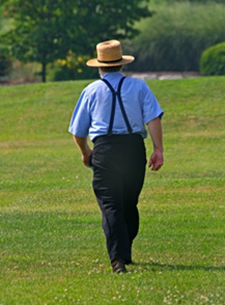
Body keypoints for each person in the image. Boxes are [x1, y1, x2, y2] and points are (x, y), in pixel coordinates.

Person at [68, 40, 164, 273]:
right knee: (129, 203)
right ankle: (124, 250)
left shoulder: (91, 91)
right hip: (133, 150)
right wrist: (158, 149)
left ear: (100, 67)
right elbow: (153, 119)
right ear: (121, 64)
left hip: (105, 150)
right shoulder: (139, 87)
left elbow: (78, 131)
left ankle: (118, 258)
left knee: (111, 206)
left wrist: (85, 152)